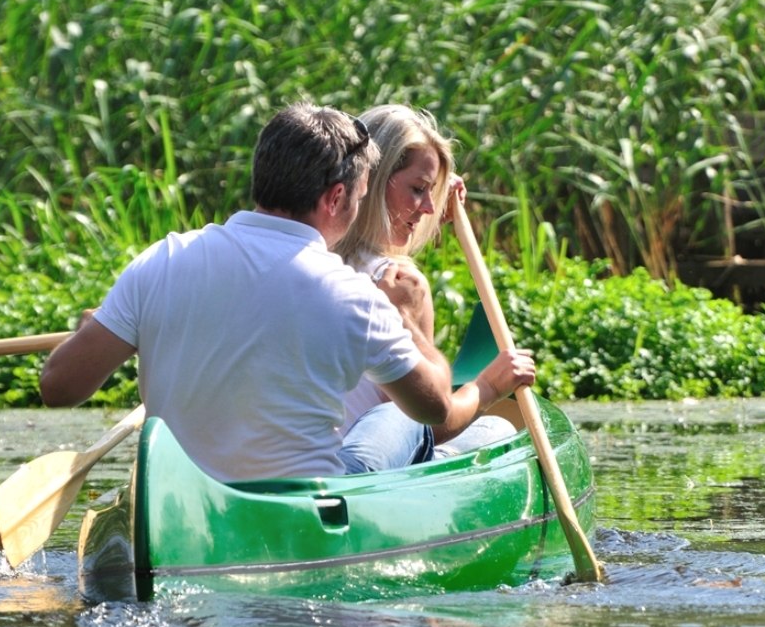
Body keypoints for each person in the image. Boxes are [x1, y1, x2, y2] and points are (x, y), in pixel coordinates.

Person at [39, 102, 455, 482]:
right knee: (407, 420)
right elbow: (433, 407)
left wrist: (92, 333)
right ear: (336, 197)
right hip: (296, 518)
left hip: (180, 505)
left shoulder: (162, 260)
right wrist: (405, 320)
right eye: (361, 198)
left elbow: (58, 387)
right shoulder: (357, 295)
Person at [332, 104, 532, 460]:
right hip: (369, 469)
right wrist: (488, 386)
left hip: (306, 459)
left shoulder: (315, 258)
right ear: (374, 181)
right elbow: (427, 421)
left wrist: (431, 191)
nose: (427, 208)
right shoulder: (403, 285)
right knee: (499, 429)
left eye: (432, 194)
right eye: (417, 190)